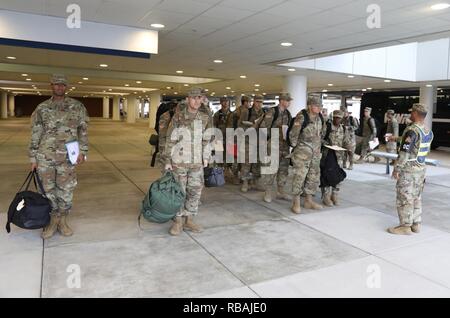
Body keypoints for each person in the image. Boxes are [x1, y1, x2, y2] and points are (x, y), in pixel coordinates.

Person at [29, 74, 89, 239]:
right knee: (46, 190)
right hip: (45, 156)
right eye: (57, 85)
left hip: (68, 157)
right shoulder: (42, 108)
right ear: (51, 86)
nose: (60, 87)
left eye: (62, 85)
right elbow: (35, 133)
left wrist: (83, 151)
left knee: (66, 190)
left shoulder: (77, 106)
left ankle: (62, 220)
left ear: (66, 87)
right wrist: (33, 158)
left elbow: (83, 130)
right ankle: (51, 221)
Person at [164, 88, 212, 236]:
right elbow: (170, 138)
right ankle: (178, 222)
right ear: (188, 99)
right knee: (179, 191)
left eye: (200, 98)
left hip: (197, 162)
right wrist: (167, 159)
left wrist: (206, 157)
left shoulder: (205, 117)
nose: (197, 101)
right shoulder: (178, 117)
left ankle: (189, 219)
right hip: (179, 161)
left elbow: (208, 138)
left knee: (195, 191)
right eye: (194, 98)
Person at [387, 103, 433, 235]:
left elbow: (405, 152)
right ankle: (416, 224)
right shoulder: (427, 130)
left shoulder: (412, 130)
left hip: (409, 170)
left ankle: (405, 226)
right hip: (421, 169)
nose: (410, 114)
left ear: (416, 114)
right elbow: (418, 146)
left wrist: (397, 168)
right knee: (416, 196)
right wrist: (397, 138)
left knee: (405, 197)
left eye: (412, 112)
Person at [289, 96, 326, 213]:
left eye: (320, 106)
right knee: (299, 177)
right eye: (317, 106)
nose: (319, 108)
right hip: (302, 153)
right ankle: (296, 202)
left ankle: (308, 201)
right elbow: (293, 135)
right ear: (310, 106)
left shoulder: (320, 117)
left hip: (315, 153)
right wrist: (297, 149)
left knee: (313, 177)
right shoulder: (302, 116)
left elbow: (322, 133)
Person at [259, 93, 293, 203]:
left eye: (289, 101)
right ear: (281, 101)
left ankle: (280, 191)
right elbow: (263, 127)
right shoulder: (272, 111)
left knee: (283, 169)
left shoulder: (288, 113)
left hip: (284, 146)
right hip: (273, 144)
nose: (289, 102)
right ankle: (268, 192)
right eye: (287, 100)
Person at [238, 95, 265, 192]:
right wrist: (251, 127)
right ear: (254, 102)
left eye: (261, 102)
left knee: (257, 163)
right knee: (246, 162)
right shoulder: (247, 112)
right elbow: (240, 126)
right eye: (257, 102)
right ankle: (245, 183)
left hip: (259, 141)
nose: (259, 104)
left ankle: (255, 182)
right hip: (248, 141)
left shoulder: (264, 113)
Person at [321, 110, 345, 207]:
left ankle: (334, 195)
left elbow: (344, 140)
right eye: (335, 117)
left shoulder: (342, 128)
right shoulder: (327, 127)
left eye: (339, 118)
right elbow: (319, 138)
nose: (337, 119)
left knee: (337, 175)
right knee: (326, 175)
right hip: (327, 155)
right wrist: (326, 143)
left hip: (338, 155)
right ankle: (326, 196)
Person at [213, 97, 231, 170]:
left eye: (227, 101)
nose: (225, 103)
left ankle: (228, 170)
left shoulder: (232, 114)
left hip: (229, 138)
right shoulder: (217, 114)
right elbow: (214, 126)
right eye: (223, 101)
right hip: (219, 138)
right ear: (220, 103)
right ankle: (219, 172)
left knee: (229, 155)